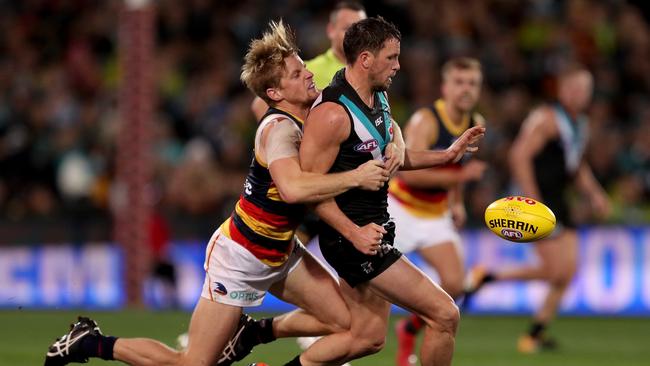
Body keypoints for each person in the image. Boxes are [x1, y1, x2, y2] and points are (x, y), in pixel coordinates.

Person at [44, 20, 392, 366]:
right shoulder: (279, 130)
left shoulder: (313, 118)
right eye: (297, 73)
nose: (309, 75)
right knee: (192, 363)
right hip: (241, 256)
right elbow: (291, 189)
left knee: (344, 322)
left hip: (282, 251)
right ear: (275, 93)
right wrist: (356, 177)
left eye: (303, 68)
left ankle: (254, 333)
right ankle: (90, 342)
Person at [299, 17, 485, 366]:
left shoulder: (377, 96)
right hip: (353, 239)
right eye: (392, 58)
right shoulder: (332, 114)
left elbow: (393, 156)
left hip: (374, 228)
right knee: (445, 314)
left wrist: (446, 155)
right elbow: (309, 189)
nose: (399, 66)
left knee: (367, 339)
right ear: (366, 59)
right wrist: (353, 233)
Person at [464, 64, 610, 353]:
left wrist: (595, 193)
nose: (578, 95)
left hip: (559, 199)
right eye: (574, 88)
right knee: (556, 270)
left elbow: (575, 164)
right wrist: (534, 202)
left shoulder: (579, 124)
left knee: (565, 272)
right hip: (537, 202)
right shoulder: (547, 119)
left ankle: (532, 331)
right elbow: (519, 155)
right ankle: (491, 281)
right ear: (562, 89)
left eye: (584, 90)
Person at [388, 57, 488, 366]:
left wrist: (456, 201)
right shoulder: (426, 120)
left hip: (435, 214)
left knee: (455, 286)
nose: (465, 89)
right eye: (459, 82)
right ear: (445, 87)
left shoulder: (475, 120)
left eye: (472, 83)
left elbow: (460, 167)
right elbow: (407, 173)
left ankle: (409, 327)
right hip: (400, 210)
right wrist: (460, 179)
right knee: (369, 293)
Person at [251, 1, 367, 121]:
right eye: (347, 29)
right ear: (331, 30)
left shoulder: (374, 66)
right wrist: (295, 132)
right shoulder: (312, 68)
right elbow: (259, 105)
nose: (357, 36)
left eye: (363, 29)